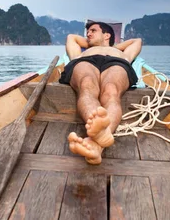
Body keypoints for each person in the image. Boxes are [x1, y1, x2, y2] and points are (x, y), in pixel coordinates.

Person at [59, 22, 142, 164]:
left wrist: (111, 47)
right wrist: (93, 44)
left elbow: (137, 41)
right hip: (85, 61)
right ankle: (100, 138)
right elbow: (71, 37)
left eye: (93, 31)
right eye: (87, 32)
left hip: (116, 62)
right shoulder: (82, 52)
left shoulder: (121, 53)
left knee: (111, 90)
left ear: (107, 35)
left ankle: (97, 142)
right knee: (86, 85)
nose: (88, 34)